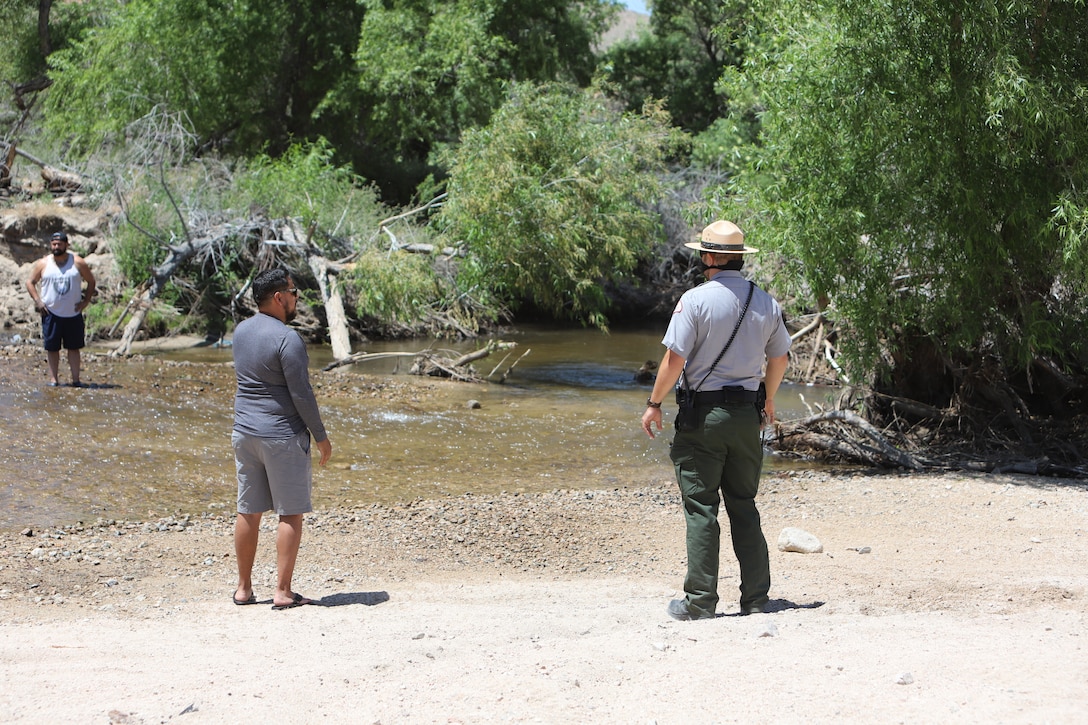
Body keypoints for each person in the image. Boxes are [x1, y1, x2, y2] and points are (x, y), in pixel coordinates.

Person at [641, 220, 791, 620]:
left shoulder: (694, 301)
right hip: (747, 415)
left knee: (701, 508)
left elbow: (674, 361)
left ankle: (700, 602)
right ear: (739, 258)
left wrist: (654, 402)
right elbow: (780, 359)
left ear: (707, 257)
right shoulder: (767, 303)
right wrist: (770, 400)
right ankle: (757, 600)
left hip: (703, 418)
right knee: (744, 504)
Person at [231, 268, 333, 610]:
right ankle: (283, 591)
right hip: (281, 435)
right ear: (278, 297)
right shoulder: (287, 339)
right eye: (293, 293)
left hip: (244, 433)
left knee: (248, 510)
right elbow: (302, 395)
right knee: (290, 513)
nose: (296, 300)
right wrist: (321, 437)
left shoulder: (241, 331)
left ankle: (243, 589)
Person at [24, 231, 97, 387]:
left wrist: (86, 301)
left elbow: (91, 281)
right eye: (54, 244)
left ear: (66, 245)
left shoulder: (77, 262)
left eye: (59, 244)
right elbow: (30, 282)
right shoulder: (43, 263)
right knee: (52, 348)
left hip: (73, 313)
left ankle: (76, 380)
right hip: (51, 313)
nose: (56, 246)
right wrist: (38, 301)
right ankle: (54, 380)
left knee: (74, 347)